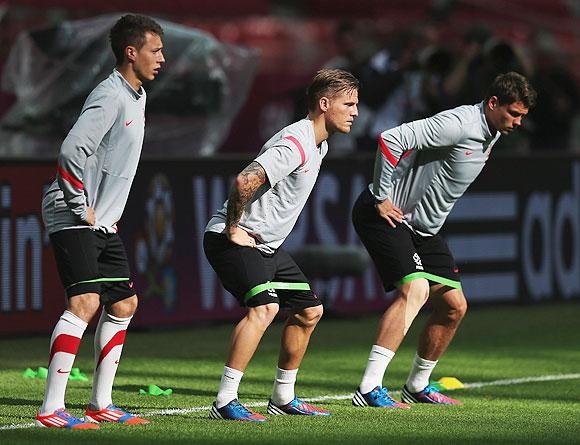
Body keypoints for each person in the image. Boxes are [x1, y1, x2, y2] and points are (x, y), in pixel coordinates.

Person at [351, 72, 536, 408]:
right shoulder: (459, 123)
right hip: (388, 215)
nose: (518, 122)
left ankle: (417, 385)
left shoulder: (492, 131)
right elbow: (391, 138)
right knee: (416, 290)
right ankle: (368, 388)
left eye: (522, 116)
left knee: (454, 307)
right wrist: (380, 195)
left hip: (424, 230)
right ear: (493, 103)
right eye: (514, 114)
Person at [204, 68, 359, 421]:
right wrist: (232, 228)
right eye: (348, 104)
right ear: (324, 104)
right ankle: (225, 401)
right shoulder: (296, 143)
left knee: (309, 311)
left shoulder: (320, 144)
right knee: (265, 309)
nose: (355, 112)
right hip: (232, 240)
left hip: (266, 247)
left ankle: (283, 397)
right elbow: (245, 180)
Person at [35, 14, 165, 429]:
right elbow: (72, 150)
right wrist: (79, 203)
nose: (162, 58)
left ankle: (100, 403)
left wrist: (102, 213)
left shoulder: (137, 95)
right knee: (85, 303)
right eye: (155, 50)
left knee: (124, 303)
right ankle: (51, 409)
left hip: (100, 221)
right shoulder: (110, 95)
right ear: (131, 52)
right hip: (71, 211)